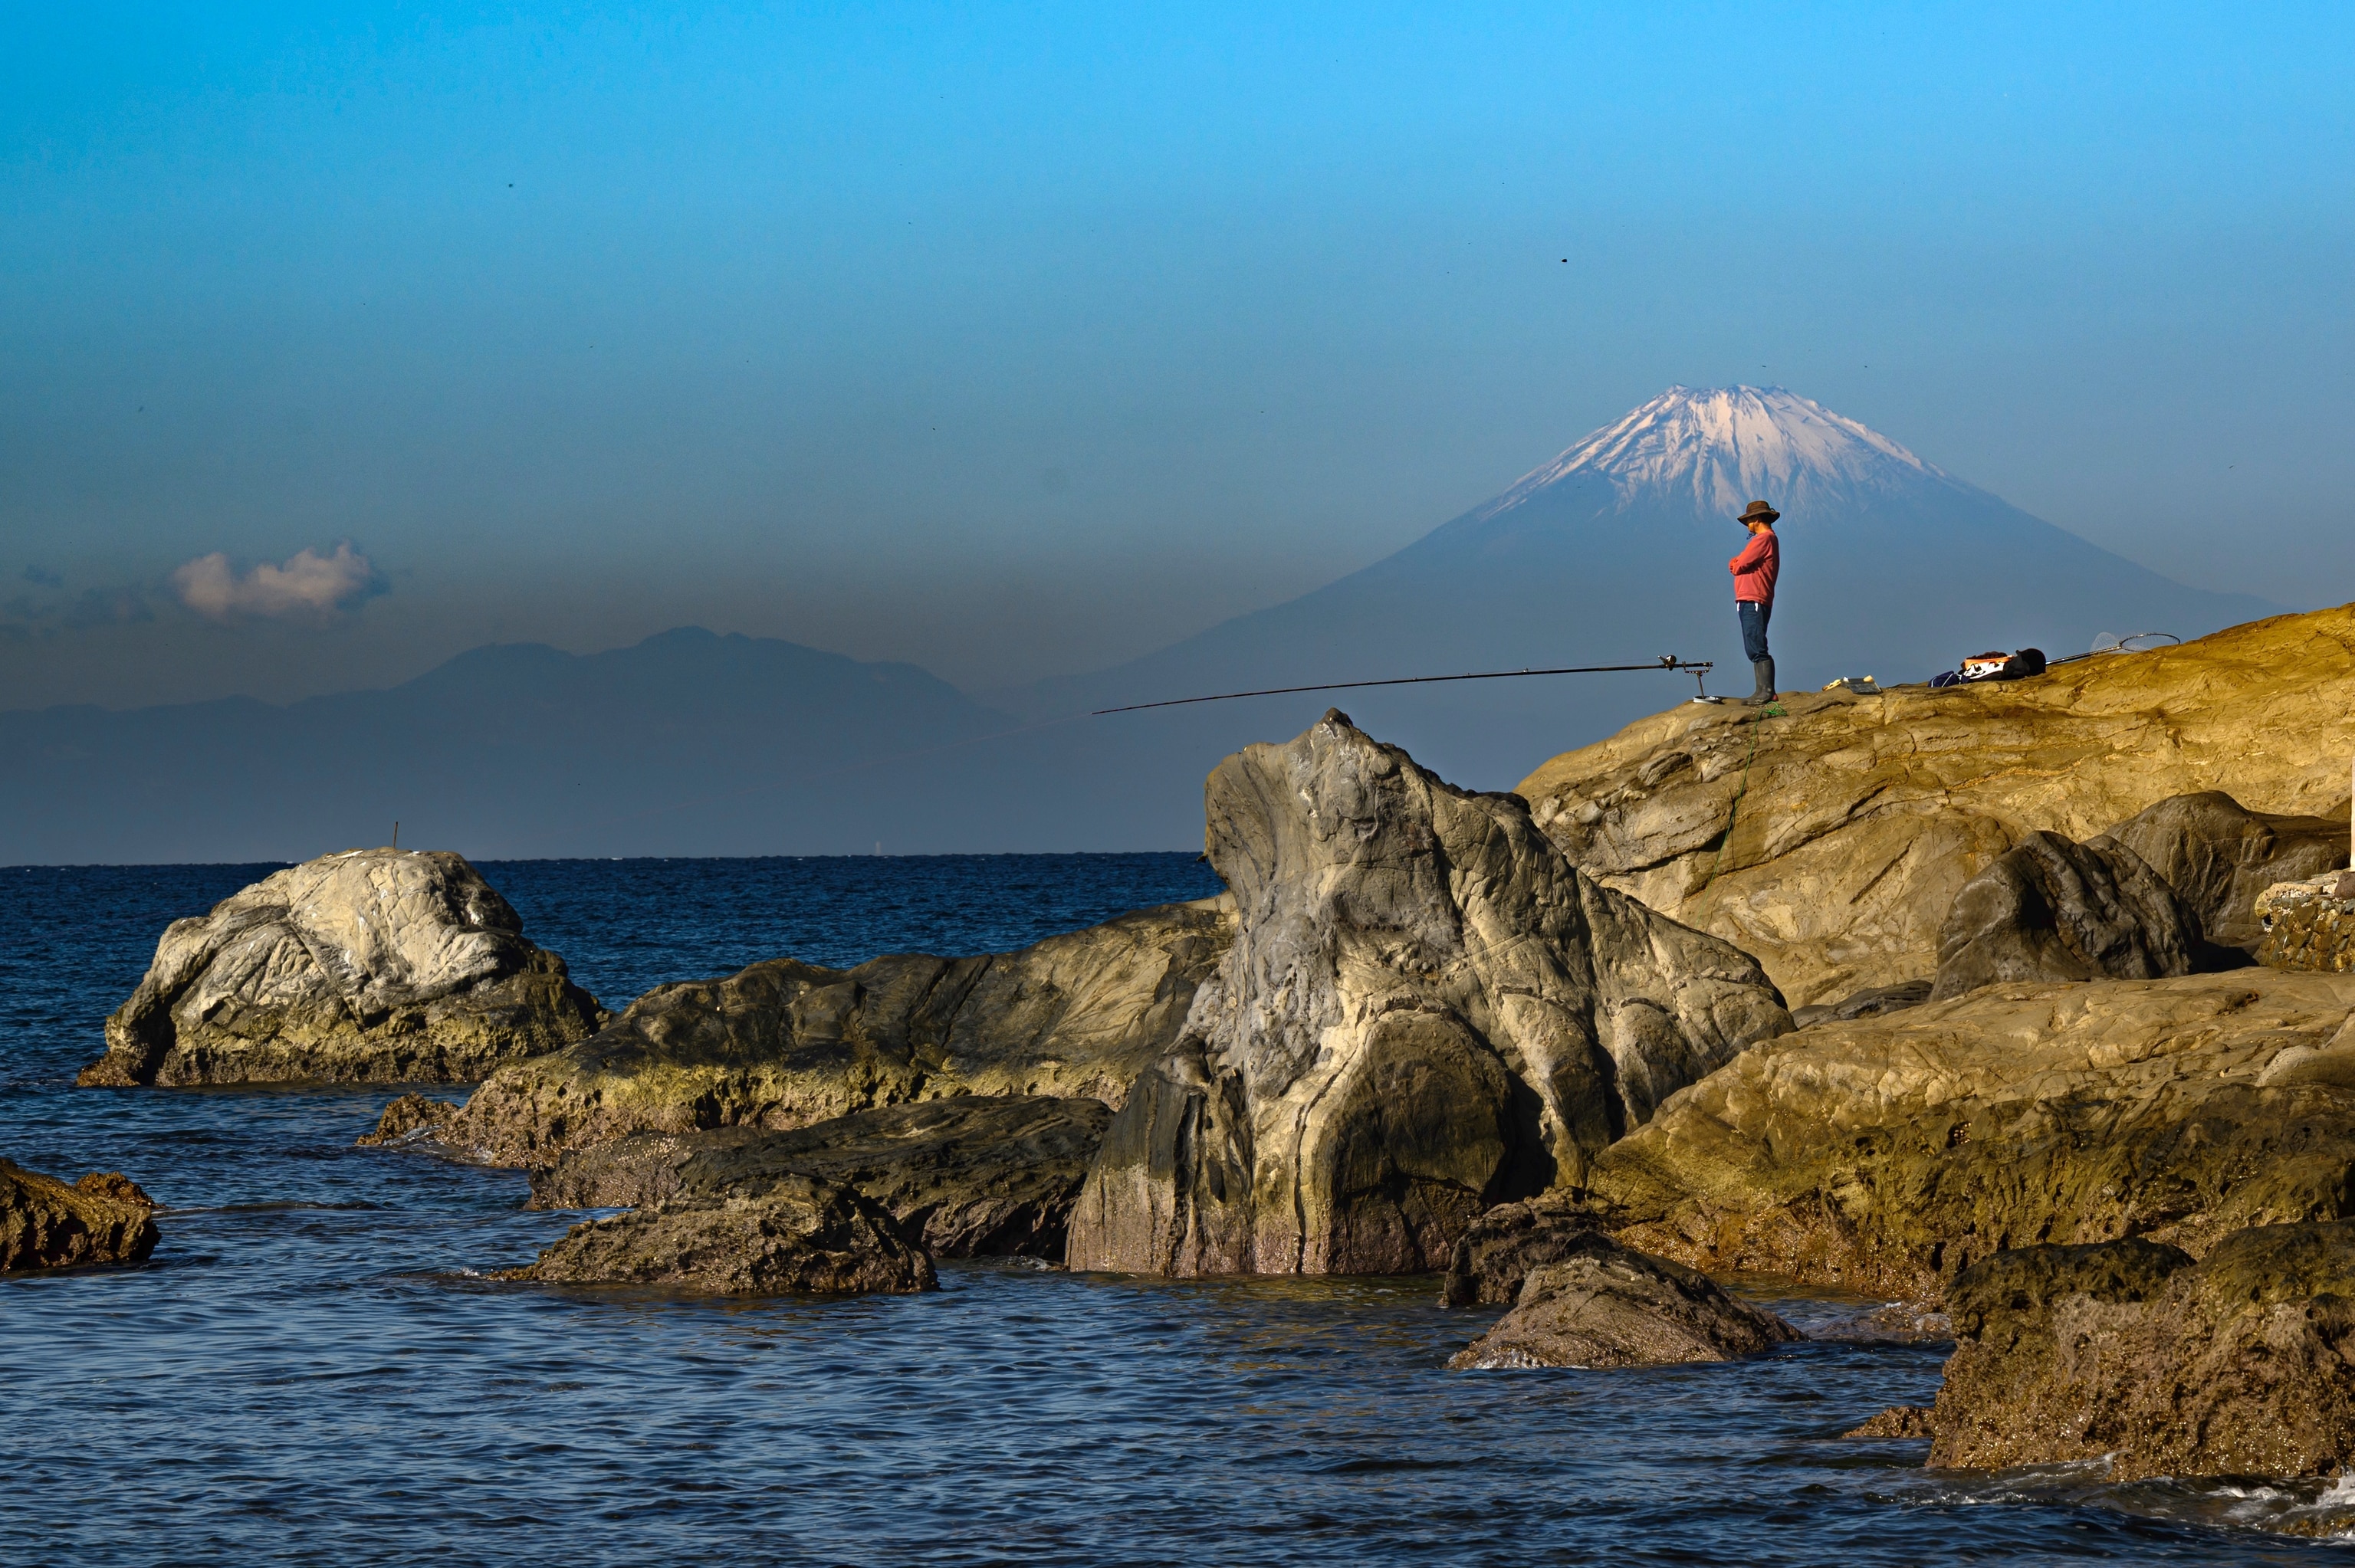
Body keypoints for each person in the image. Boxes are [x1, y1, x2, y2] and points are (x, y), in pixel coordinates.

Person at [1727, 499, 1780, 704]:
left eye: (1750, 519)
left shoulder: (1762, 540)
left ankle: (1766, 691)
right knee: (1754, 644)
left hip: (1753, 599)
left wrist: (1734, 562)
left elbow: (1739, 565)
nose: (1748, 524)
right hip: (1753, 599)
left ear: (1756, 519)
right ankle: (1763, 690)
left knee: (1756, 645)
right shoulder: (1767, 540)